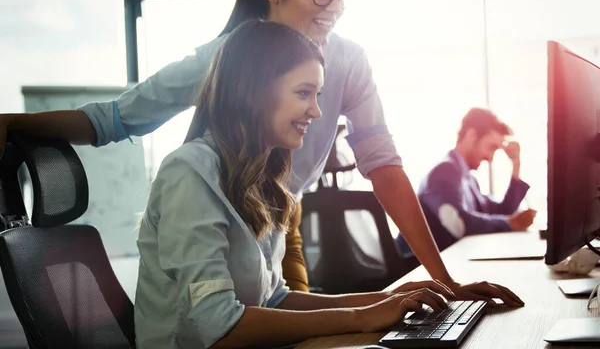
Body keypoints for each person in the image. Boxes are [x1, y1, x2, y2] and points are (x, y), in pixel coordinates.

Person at [0, 0, 523, 304]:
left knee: (302, 321)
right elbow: (112, 119)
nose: (334, 8)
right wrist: (10, 124)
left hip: (279, 226)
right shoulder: (225, 58)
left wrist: (444, 281)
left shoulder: (349, 62)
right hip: (212, 225)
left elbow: (382, 164)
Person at [136, 18, 455, 348]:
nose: (316, 112)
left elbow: (275, 300)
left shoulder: (265, 177)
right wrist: (362, 316)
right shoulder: (188, 173)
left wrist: (381, 299)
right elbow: (218, 326)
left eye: (317, 95)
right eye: (304, 93)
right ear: (253, 91)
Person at [396, 107, 536, 257]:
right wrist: (510, 223)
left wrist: (516, 164)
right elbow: (459, 224)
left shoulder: (469, 180)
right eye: (491, 147)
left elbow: (503, 212)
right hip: (418, 269)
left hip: (450, 262)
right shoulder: (444, 171)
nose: (490, 158)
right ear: (471, 135)